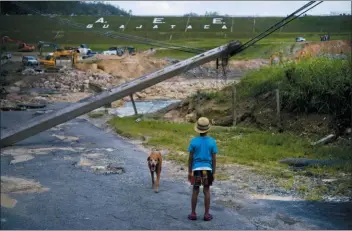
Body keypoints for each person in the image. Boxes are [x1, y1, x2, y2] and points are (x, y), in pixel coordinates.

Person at [187, 117, 218, 221]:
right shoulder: (212, 142)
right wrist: (213, 172)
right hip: (207, 170)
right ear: (208, 129)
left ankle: (193, 214)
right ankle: (206, 214)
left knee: (195, 190)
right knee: (206, 190)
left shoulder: (194, 141)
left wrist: (189, 171)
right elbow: (214, 159)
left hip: (196, 169)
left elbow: (190, 158)